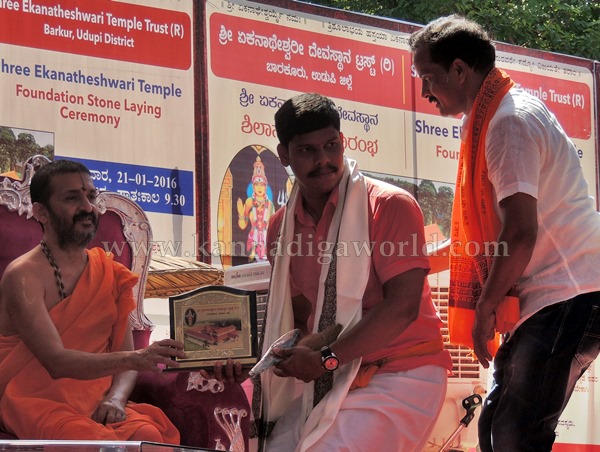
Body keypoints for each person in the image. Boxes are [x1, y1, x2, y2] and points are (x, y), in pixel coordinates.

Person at [410, 15, 600, 451]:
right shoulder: (492, 116)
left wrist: (486, 308)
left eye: (428, 77)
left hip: (568, 292)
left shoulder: (507, 123)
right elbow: (475, 243)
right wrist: (404, 264)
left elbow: (519, 234)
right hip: (554, 297)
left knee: (515, 436)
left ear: (460, 69)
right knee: (495, 429)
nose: (424, 92)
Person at [250, 92, 452, 451]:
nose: (324, 160)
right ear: (284, 155)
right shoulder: (281, 227)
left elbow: (402, 307)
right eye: (307, 151)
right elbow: (302, 317)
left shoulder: (390, 206)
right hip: (340, 375)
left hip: (404, 372)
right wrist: (264, 358)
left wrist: (326, 359)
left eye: (331, 145)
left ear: (343, 142)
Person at [0, 159, 187, 441]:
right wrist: (139, 357)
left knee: (150, 438)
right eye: (72, 198)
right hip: (34, 401)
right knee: (88, 442)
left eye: (91, 196)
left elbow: (125, 362)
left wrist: (115, 399)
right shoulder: (23, 276)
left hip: (96, 402)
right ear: (41, 212)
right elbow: (56, 362)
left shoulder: (110, 273)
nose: (88, 207)